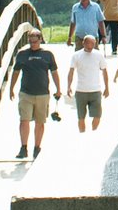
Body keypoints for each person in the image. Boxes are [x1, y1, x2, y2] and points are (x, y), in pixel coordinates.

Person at [9, 28, 61, 159]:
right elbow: (15, 72)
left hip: (43, 93)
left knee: (40, 122)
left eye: (35, 42)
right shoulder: (22, 54)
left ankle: (37, 147)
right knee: (24, 120)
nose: (32, 44)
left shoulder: (48, 55)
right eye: (30, 42)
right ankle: (23, 147)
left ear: (40, 40)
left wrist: (58, 89)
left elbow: (54, 73)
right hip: (26, 93)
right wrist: (11, 88)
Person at [67, 33, 109, 132]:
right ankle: (82, 134)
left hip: (95, 90)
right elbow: (71, 71)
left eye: (92, 44)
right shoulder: (76, 55)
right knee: (81, 117)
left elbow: (104, 71)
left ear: (95, 43)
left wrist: (107, 87)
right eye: (88, 44)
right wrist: (68, 86)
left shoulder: (98, 55)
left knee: (97, 115)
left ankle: (94, 132)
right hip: (81, 90)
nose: (90, 46)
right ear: (83, 43)